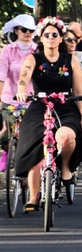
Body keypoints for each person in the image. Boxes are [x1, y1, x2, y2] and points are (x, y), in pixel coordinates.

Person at [15, 17, 82, 211]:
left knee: (66, 136)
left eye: (54, 34)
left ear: (61, 37)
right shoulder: (34, 58)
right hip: (39, 105)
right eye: (46, 34)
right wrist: (21, 90)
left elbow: (78, 91)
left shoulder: (70, 60)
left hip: (65, 106)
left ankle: (65, 166)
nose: (50, 38)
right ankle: (33, 197)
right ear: (41, 37)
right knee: (35, 149)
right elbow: (24, 76)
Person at [0, 14, 37, 162]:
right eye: (24, 29)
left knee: (30, 136)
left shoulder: (38, 51)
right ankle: (7, 155)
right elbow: (1, 77)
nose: (27, 33)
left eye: (31, 30)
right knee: (4, 135)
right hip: (9, 99)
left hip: (32, 100)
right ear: (16, 31)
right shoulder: (7, 50)